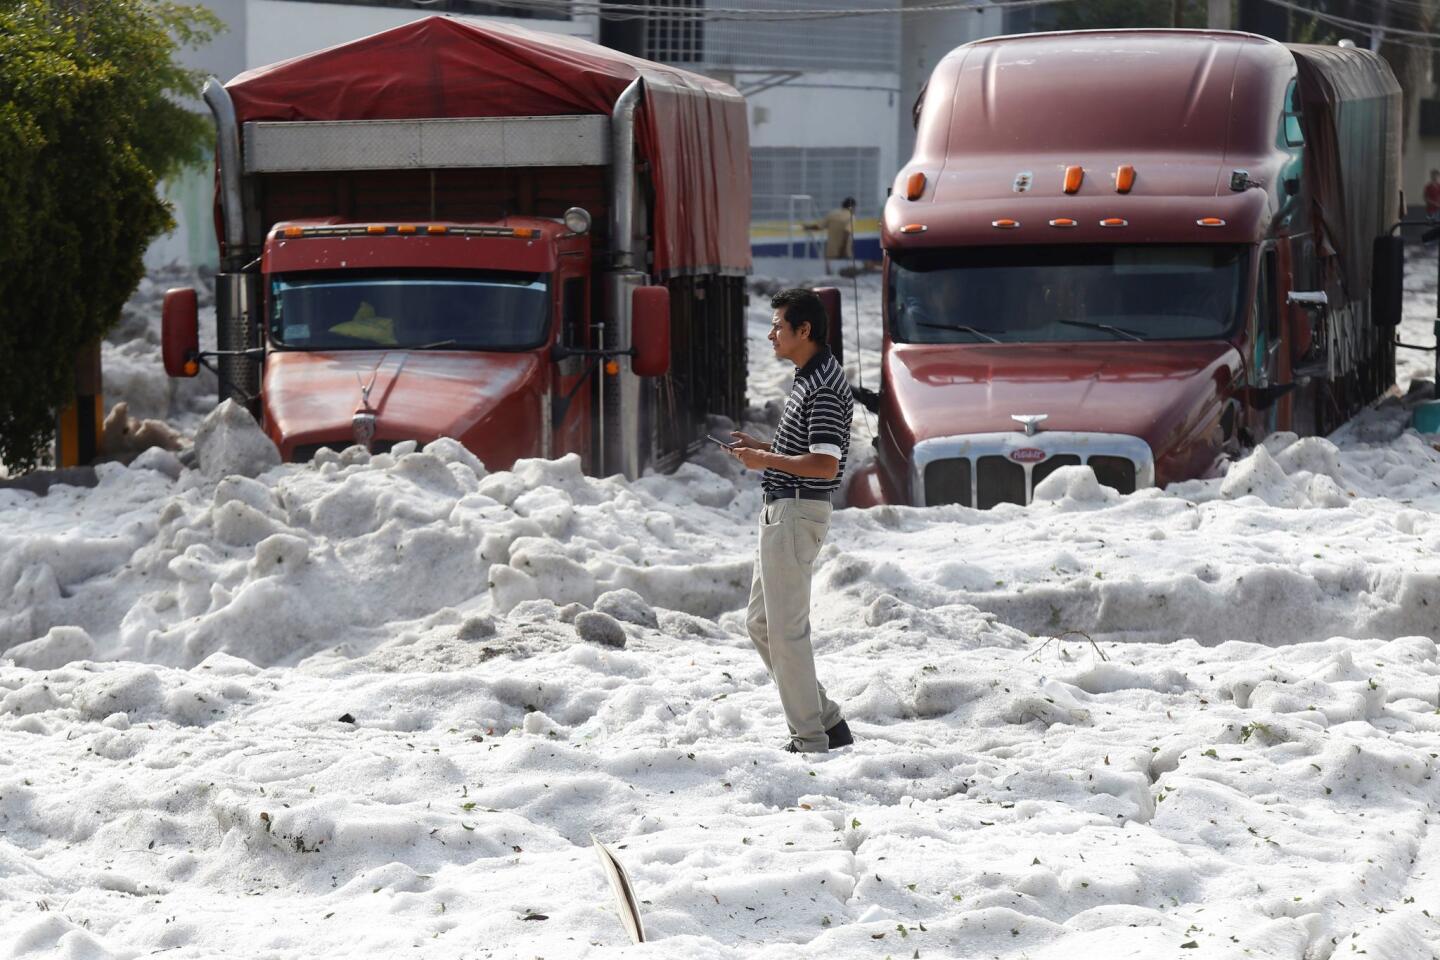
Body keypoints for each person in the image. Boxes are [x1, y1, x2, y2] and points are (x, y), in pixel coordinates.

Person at [728, 288, 853, 753]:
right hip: (785, 508)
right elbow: (808, 451)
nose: (771, 335)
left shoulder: (821, 385)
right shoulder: (811, 375)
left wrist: (764, 458)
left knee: (785, 631)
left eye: (779, 325)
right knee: (762, 624)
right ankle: (826, 720)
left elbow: (824, 465)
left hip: (797, 510)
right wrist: (762, 447)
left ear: (805, 331)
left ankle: (810, 738)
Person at [809, 197, 855, 274]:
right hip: (844, 250)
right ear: (852, 207)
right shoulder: (850, 216)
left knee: (829, 273)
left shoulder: (832, 214)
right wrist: (843, 250)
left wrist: (807, 227)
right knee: (848, 274)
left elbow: (819, 227)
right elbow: (847, 232)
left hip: (831, 250)